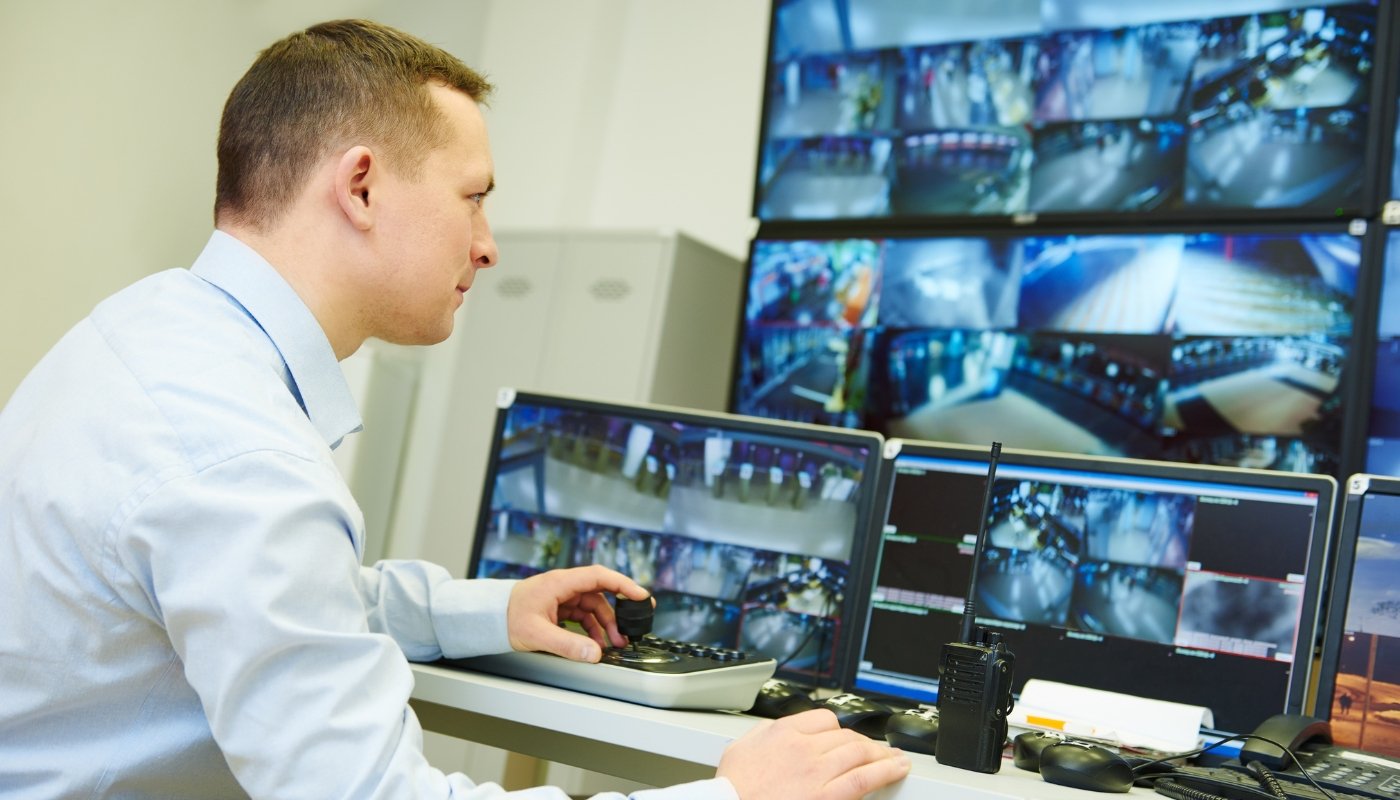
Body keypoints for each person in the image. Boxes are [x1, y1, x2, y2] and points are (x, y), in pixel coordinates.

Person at [0, 18, 910, 800]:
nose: (487, 248)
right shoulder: (239, 459)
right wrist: (736, 792)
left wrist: (488, 612)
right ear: (360, 186)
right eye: (472, 199)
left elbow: (272, 601)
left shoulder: (149, 335)